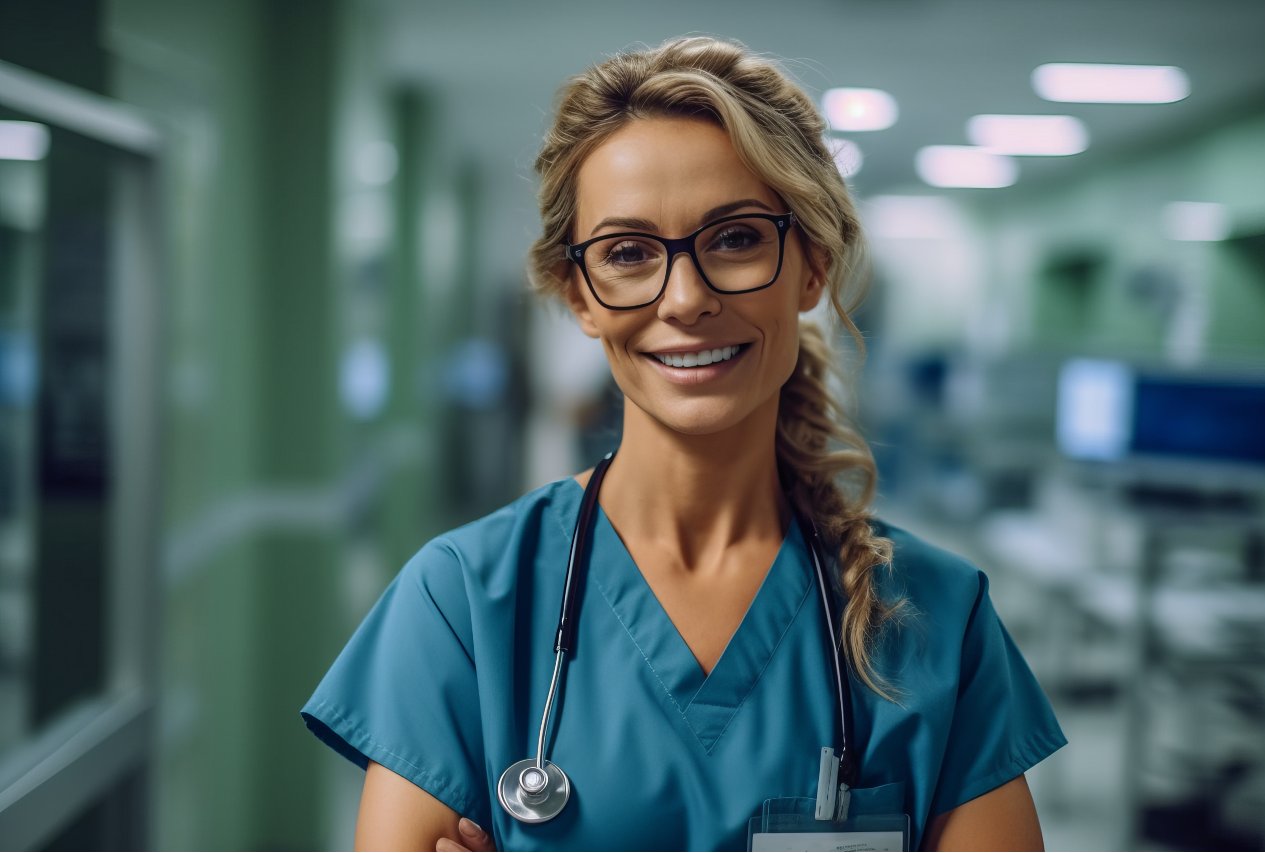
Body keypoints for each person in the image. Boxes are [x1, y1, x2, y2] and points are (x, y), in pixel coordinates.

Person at [301, 36, 1066, 851]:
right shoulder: (463, 604)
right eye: (628, 254)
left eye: (736, 238)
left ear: (810, 265)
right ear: (580, 295)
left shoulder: (936, 619)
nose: (687, 297)